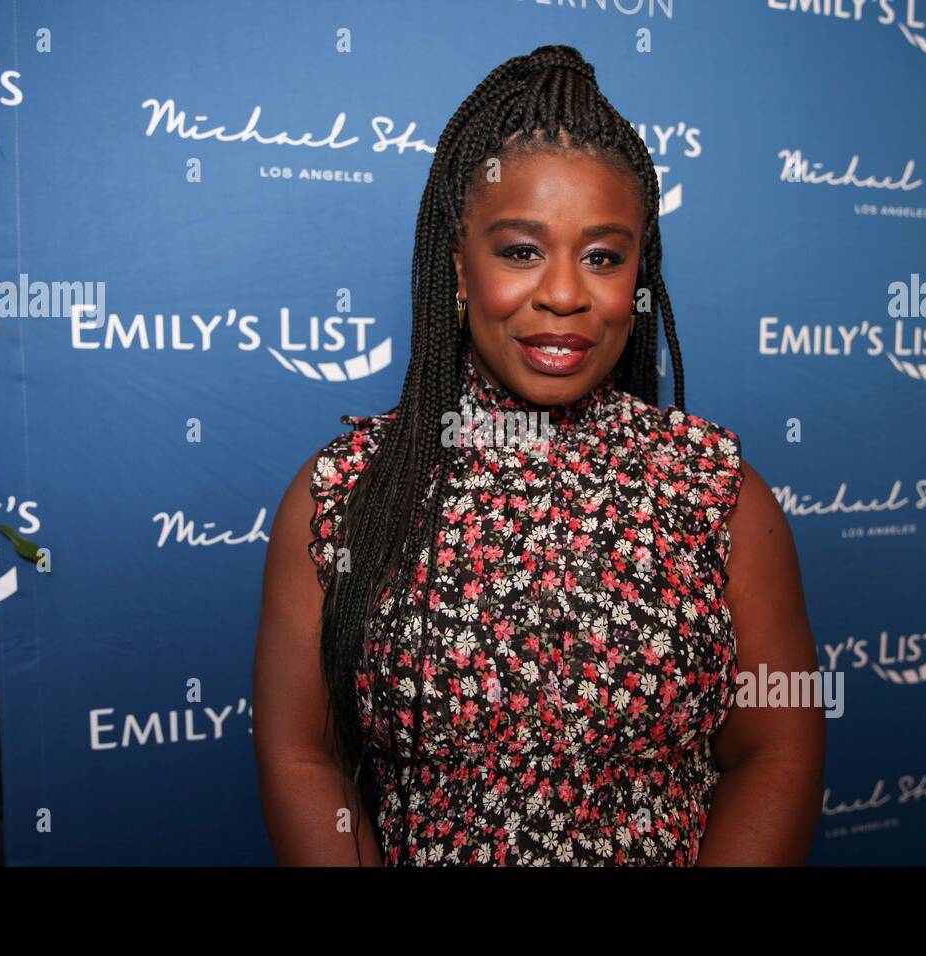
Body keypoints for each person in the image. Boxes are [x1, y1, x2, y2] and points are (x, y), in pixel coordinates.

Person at [253, 44, 824, 866]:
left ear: (640, 276)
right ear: (457, 265)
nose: (564, 293)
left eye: (603, 256)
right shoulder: (345, 492)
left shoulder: (715, 490)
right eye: (521, 250)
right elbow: (302, 755)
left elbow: (779, 754)